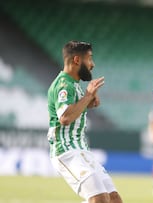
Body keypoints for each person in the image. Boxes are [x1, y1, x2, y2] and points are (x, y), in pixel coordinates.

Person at [47, 41, 122, 203]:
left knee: (114, 199)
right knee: (99, 199)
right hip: (66, 151)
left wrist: (91, 98)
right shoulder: (64, 85)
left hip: (81, 149)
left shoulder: (74, 85)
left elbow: (83, 106)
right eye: (89, 59)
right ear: (76, 60)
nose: (92, 64)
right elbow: (65, 118)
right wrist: (88, 96)